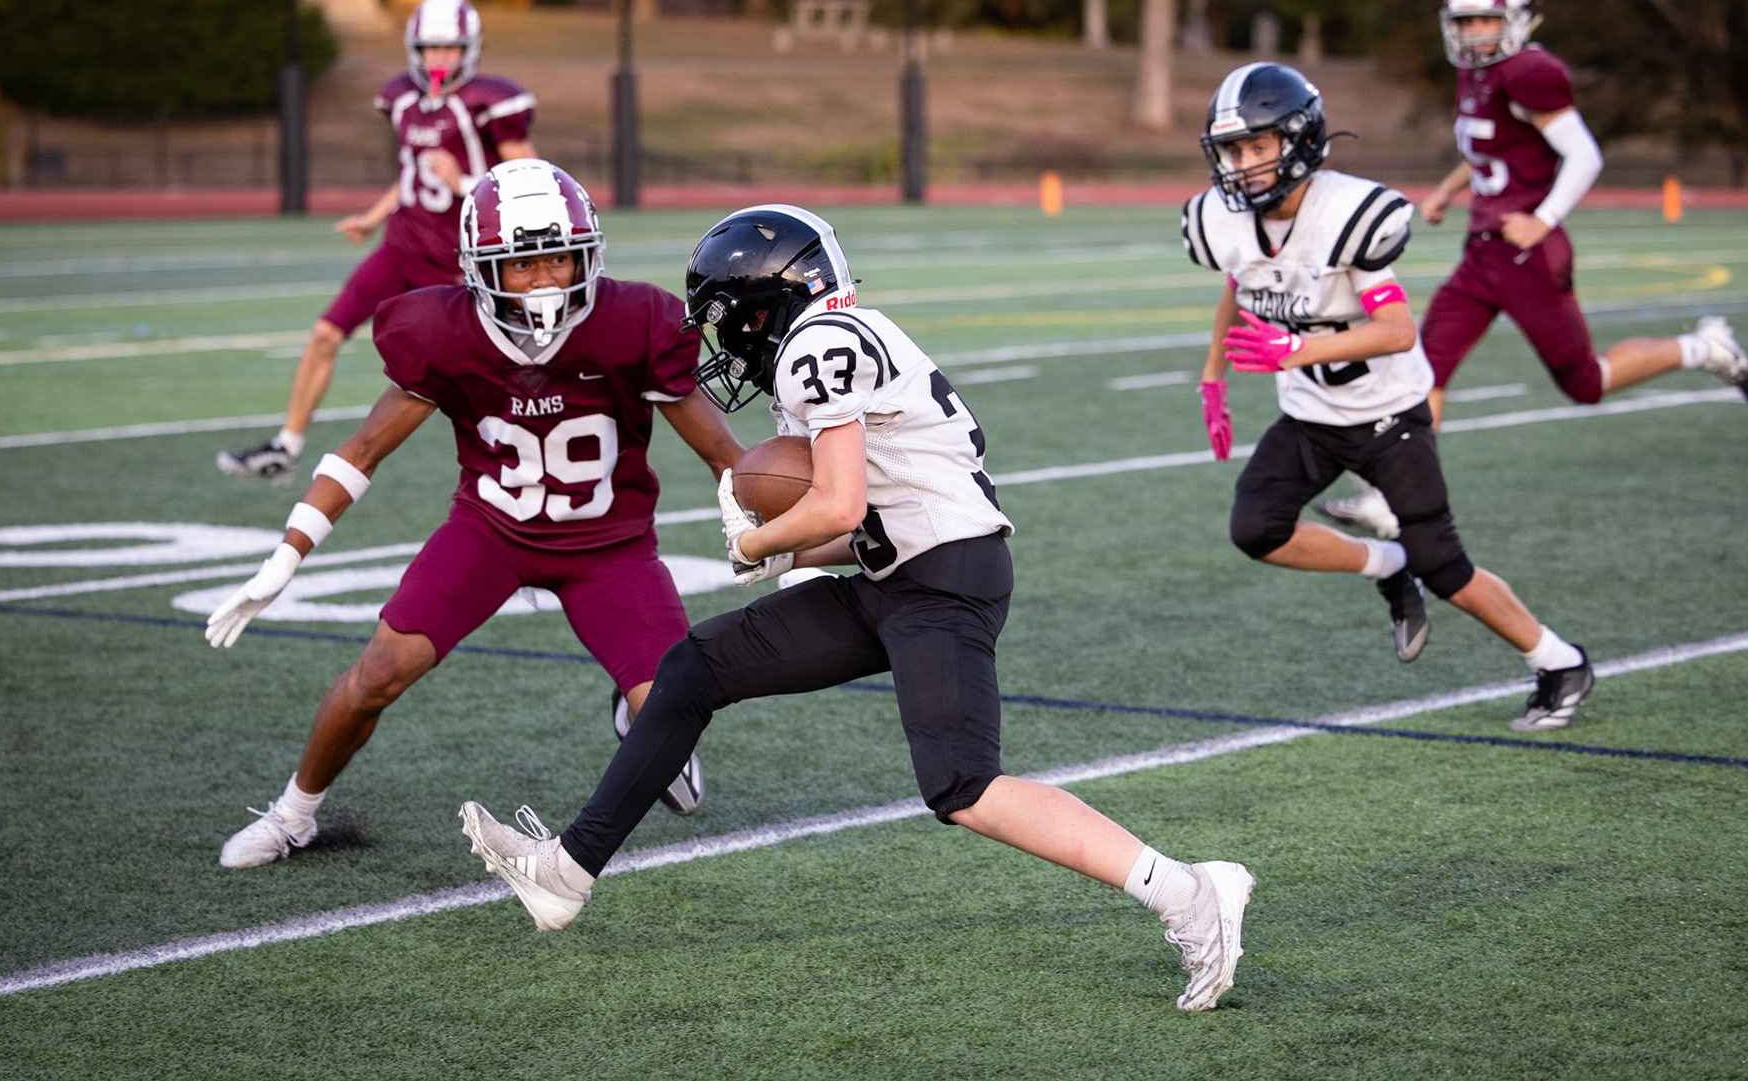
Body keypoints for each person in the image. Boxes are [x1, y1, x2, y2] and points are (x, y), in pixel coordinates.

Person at [456, 204, 1256, 1013]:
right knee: (695, 666)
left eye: (731, 318)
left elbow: (838, 504)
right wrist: (789, 551)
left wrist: (755, 539)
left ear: (768, 301)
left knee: (964, 786)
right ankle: (567, 870)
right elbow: (866, 521)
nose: (727, 339)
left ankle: (1190, 893)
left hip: (942, 581)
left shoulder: (819, 344)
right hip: (897, 576)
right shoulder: (835, 340)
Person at [204, 159, 743, 867]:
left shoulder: (634, 320)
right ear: (481, 269)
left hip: (610, 549)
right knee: (377, 673)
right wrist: (286, 556)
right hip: (492, 534)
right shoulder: (443, 329)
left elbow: (724, 454)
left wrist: (778, 538)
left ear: (588, 253)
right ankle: (292, 815)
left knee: (675, 716)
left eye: (559, 257)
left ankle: (633, 705)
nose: (546, 279)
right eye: (523, 263)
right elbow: (363, 450)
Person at [1184, 62, 1595, 731]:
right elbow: (1241, 277)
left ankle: (1559, 660)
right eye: (1234, 149)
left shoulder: (1347, 213)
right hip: (1311, 415)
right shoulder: (1223, 221)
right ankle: (1388, 564)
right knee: (1256, 529)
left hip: (1387, 416)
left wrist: (1294, 350)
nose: (1246, 164)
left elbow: (1399, 330)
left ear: (1300, 139)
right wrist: (1213, 375)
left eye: (1259, 145)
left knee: (1446, 565)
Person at [1315, 0, 1748, 540]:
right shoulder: (1476, 75)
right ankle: (1394, 499)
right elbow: (1491, 148)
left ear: (1516, 21)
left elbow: (1585, 156)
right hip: (1483, 252)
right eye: (1464, 22)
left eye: (1484, 21)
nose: (1473, 33)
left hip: (1527, 256)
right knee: (1424, 367)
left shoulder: (1529, 74)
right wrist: (1449, 190)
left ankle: (1701, 347)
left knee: (1585, 383)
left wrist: (1543, 220)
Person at [219, 0, 539, 482]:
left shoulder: (487, 103)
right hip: (400, 248)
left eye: (449, 48)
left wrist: (461, 181)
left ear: (470, 49)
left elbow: (530, 181)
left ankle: (530, 460)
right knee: (326, 333)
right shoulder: (403, 100)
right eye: (430, 48)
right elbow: (412, 173)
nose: (439, 58)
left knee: (487, 368)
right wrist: (373, 216)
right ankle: (287, 446)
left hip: (458, 260)